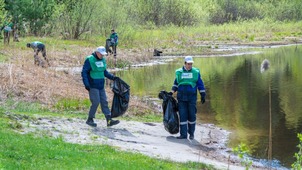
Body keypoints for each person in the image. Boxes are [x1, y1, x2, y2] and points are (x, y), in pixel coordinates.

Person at [81, 46, 120, 127]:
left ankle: (109, 120)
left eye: (103, 54)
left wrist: (113, 77)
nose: (102, 56)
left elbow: (104, 72)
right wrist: (86, 84)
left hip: (101, 86)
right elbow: (84, 72)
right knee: (96, 102)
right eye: (101, 54)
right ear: (97, 52)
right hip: (92, 85)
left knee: (104, 102)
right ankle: (90, 119)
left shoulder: (102, 60)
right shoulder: (90, 59)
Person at [170, 56, 206, 140]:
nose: (190, 65)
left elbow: (200, 83)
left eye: (191, 64)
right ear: (185, 63)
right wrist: (171, 92)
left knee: (192, 115)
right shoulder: (179, 72)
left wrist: (202, 94)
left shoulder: (195, 72)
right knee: (182, 116)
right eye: (188, 64)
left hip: (192, 97)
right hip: (181, 97)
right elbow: (176, 83)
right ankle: (183, 135)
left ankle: (191, 134)